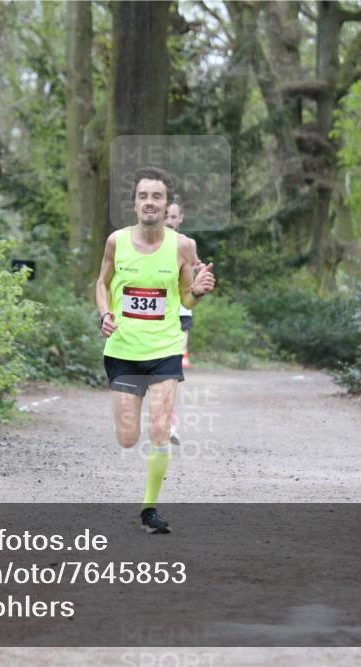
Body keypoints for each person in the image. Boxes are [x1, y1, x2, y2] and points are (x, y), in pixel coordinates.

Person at [96, 167, 215, 534]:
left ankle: (149, 508)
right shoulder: (116, 241)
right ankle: (136, 447)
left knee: (160, 429)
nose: (150, 202)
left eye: (157, 196)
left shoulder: (181, 245)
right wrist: (105, 313)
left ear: (167, 205)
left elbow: (184, 299)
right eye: (143, 196)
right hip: (123, 351)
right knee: (128, 438)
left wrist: (197, 291)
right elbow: (101, 283)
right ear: (134, 203)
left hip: (164, 349)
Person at [163, 199, 201, 446]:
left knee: (171, 373)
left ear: (181, 219)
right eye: (166, 215)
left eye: (173, 216)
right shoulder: (140, 244)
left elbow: (195, 273)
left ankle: (169, 423)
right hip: (148, 321)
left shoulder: (187, 244)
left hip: (179, 314)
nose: (168, 220)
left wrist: (199, 278)